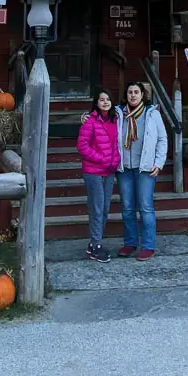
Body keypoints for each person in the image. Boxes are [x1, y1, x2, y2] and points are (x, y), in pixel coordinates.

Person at [115, 81, 168, 261]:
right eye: (130, 92)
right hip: (124, 169)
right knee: (127, 208)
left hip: (145, 169)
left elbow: (162, 139)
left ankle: (148, 246)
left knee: (145, 207)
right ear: (126, 95)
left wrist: (159, 163)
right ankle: (130, 243)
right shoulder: (119, 114)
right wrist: (85, 116)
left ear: (142, 95)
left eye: (136, 92)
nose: (133, 95)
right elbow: (97, 116)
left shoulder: (151, 114)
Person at [76, 90, 120, 263]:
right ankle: (96, 245)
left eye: (108, 99)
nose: (105, 102)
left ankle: (94, 243)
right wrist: (101, 158)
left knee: (105, 209)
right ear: (96, 103)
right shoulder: (90, 122)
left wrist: (113, 161)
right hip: (93, 172)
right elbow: (82, 146)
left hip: (109, 172)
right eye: (101, 99)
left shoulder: (116, 120)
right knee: (97, 208)